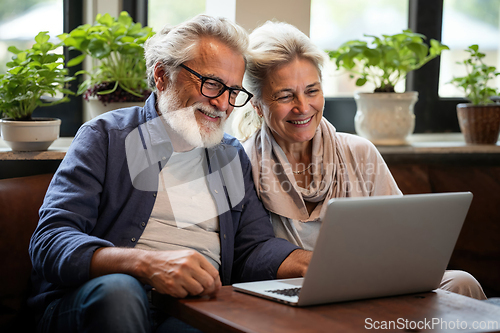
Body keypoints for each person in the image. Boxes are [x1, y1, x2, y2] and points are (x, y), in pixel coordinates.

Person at [28, 15, 311, 333]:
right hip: (98, 303)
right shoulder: (106, 136)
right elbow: (50, 242)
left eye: (233, 91)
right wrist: (146, 265)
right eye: (212, 84)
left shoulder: (230, 155)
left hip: (187, 310)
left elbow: (253, 247)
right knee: (120, 293)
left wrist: (311, 263)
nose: (223, 104)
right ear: (162, 75)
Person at [234, 20, 487, 300]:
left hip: (374, 281)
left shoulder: (359, 151)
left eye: (312, 91)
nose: (303, 107)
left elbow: (402, 238)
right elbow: (250, 255)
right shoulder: (244, 164)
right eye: (285, 96)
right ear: (256, 104)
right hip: (299, 291)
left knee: (462, 282)